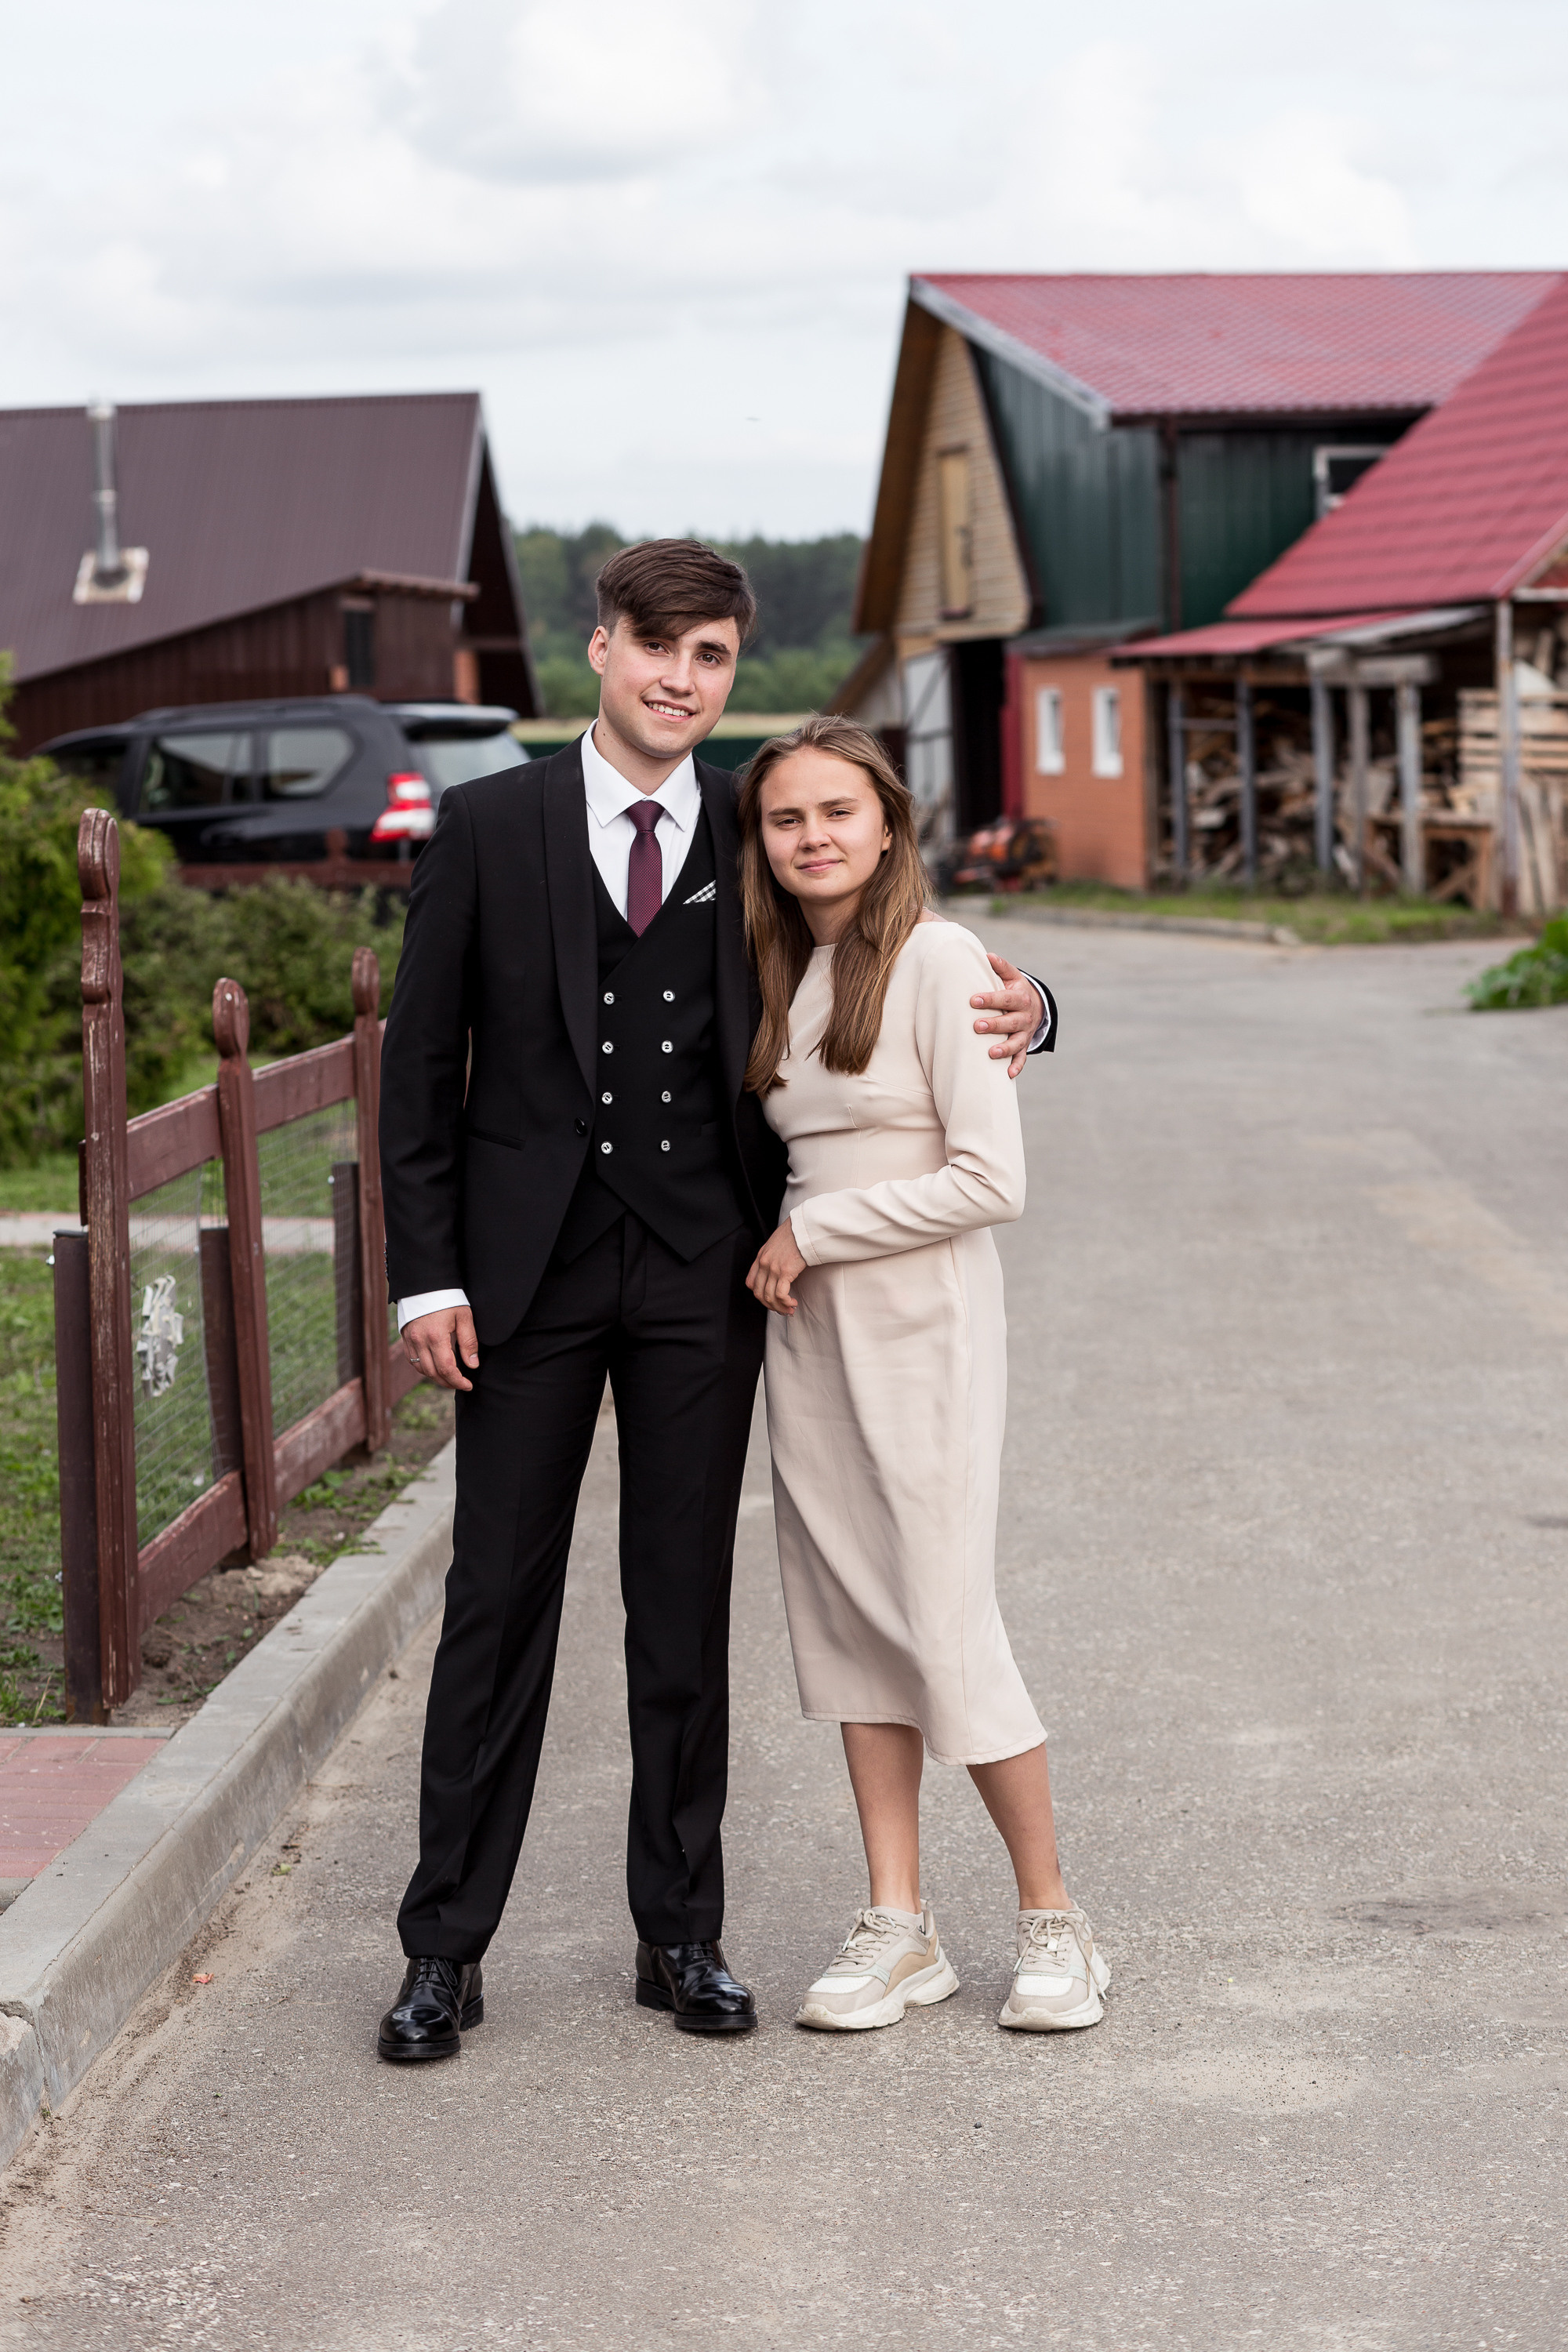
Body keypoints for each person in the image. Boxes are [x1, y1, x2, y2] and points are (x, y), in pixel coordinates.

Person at [375, 541, 1055, 2060]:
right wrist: (424, 1272)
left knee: (681, 1610)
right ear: (600, 651)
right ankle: (443, 1949)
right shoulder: (490, 827)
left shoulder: (756, 828)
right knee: (498, 1605)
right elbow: (417, 1075)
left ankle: (679, 1933)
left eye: (713, 661)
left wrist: (1038, 1008)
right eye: (658, 651)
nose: (685, 683)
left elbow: (896, 957)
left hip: (705, 1272)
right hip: (522, 1285)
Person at [739, 714, 1107, 2034]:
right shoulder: (784, 968)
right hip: (812, 1334)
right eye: (787, 819)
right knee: (850, 1618)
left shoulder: (942, 957)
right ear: (764, 844)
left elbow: (991, 1182)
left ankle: (1056, 1922)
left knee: (942, 1611)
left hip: (922, 1321)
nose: (814, 836)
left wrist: (818, 1231)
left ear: (889, 824)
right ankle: (900, 1925)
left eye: (839, 811)